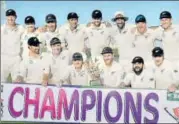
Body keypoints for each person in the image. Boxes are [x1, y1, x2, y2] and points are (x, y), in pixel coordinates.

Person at [1, 9, 24, 83]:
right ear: (6, 17)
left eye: (12, 16)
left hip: (16, 58)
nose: (10, 18)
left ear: (16, 17)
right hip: (3, 58)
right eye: (8, 16)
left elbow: (30, 32)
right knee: (1, 81)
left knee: (17, 81)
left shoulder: (21, 28)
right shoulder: (2, 28)